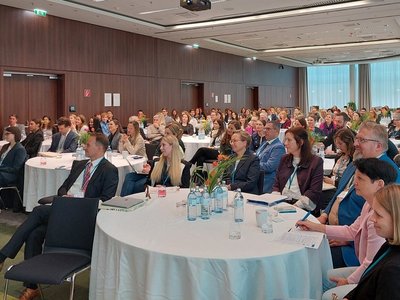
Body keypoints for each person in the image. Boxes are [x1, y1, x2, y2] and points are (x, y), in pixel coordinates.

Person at [0, 133, 118, 299]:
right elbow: (63, 188)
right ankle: (31, 286)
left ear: (99, 148)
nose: (84, 146)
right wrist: (65, 197)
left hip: (82, 214)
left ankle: (3, 255)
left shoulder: (109, 170)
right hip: (64, 209)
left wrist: (76, 201)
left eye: (88, 144)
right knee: (34, 235)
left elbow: (106, 199)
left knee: (39, 211)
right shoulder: (80, 165)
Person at [297, 158, 398, 300]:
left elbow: (370, 265)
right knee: (322, 277)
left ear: (379, 184)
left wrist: (349, 282)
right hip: (369, 271)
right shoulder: (369, 206)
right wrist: (316, 226)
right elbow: (352, 231)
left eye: (360, 179)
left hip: (368, 273)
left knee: (326, 292)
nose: (355, 183)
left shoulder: (379, 224)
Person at [343, 184, 400, 299]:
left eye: (378, 215)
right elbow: (369, 276)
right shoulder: (390, 243)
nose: (372, 218)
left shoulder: (393, 270)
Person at [272, 127, 323, 211]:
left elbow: (314, 191)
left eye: (289, 140)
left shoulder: (316, 162)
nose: (285, 143)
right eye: (285, 140)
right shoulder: (284, 159)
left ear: (301, 142)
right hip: (282, 203)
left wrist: (294, 207)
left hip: (302, 206)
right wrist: (276, 200)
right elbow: (277, 183)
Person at [120, 135, 190, 196]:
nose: (161, 148)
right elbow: (147, 184)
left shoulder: (183, 166)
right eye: (161, 145)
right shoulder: (156, 163)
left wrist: (166, 190)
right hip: (155, 198)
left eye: (164, 145)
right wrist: (152, 189)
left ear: (172, 146)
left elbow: (184, 191)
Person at [257, 120, 286, 193]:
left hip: (266, 183)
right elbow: (256, 156)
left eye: (268, 129)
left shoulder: (278, 147)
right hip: (257, 179)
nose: (265, 131)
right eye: (265, 128)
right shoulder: (265, 143)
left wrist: (253, 164)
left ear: (277, 131)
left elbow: (270, 167)